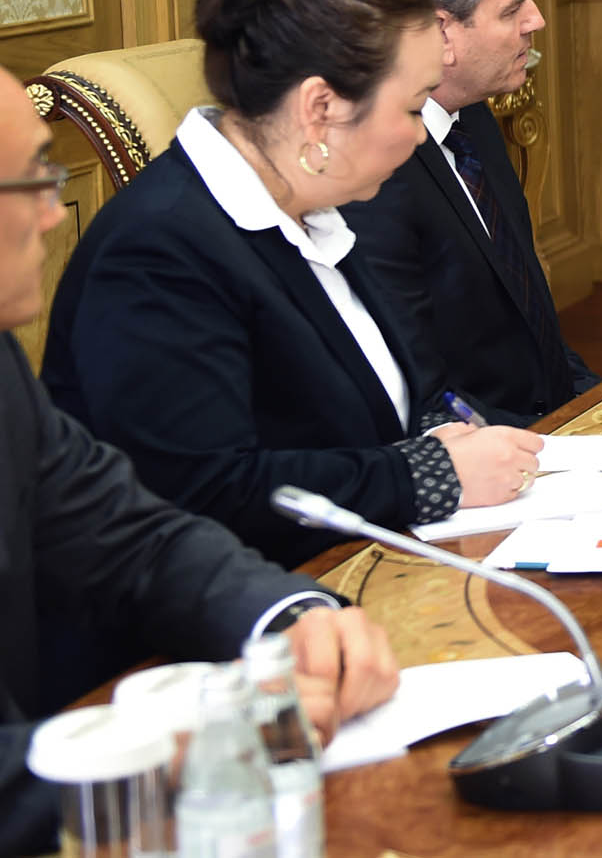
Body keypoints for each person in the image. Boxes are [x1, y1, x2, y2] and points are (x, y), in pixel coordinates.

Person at [40, 0, 542, 569]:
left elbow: (376, 410)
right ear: (320, 109)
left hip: (368, 561)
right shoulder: (155, 253)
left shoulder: (312, 209)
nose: (421, 135)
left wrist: (443, 435)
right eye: (412, 107)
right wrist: (426, 475)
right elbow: (204, 492)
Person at [0, 63, 399, 856]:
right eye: (32, 180)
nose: (52, 213)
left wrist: (291, 616)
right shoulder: (160, 242)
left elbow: (134, 535)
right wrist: (177, 754)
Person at [343, 0, 594, 424]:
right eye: (512, 9)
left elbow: (533, 329)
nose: (538, 19)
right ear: (440, 34)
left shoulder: (471, 113)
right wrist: (563, 448)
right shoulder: (371, 172)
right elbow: (420, 399)